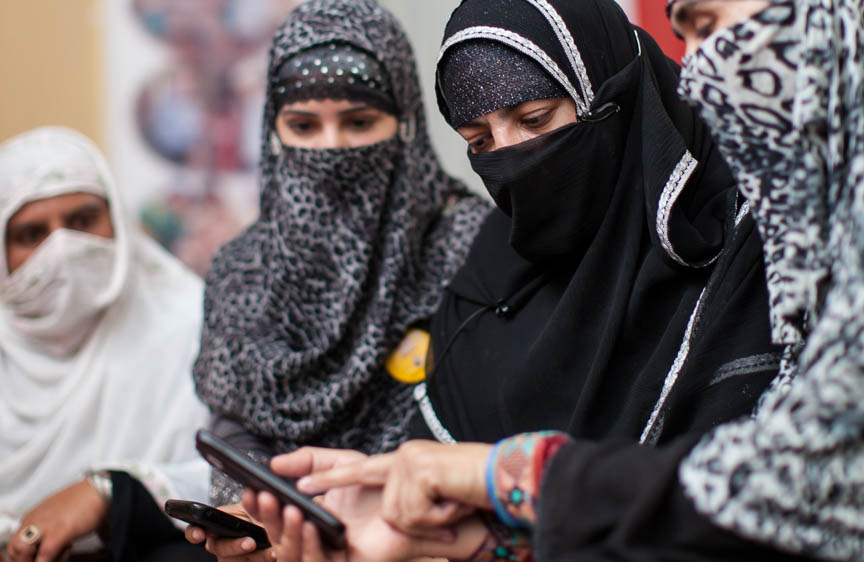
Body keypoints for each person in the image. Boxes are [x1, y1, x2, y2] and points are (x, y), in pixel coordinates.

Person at [248, 0, 864, 560]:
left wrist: (505, 478)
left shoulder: (765, 241)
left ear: (612, 96)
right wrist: (428, 526)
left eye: (536, 119)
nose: (512, 160)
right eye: (480, 140)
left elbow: (792, 495)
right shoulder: (491, 275)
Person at [190, 0, 489, 508]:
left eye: (358, 122)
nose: (331, 148)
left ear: (405, 122)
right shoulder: (241, 270)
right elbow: (232, 432)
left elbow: (486, 424)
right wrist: (252, 512)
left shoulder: (471, 245)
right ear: (274, 132)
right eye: (304, 126)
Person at [0, 127, 214, 561]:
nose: (62, 248)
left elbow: (236, 476)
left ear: (116, 222)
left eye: (82, 222)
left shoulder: (193, 323)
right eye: (32, 234)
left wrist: (111, 492)